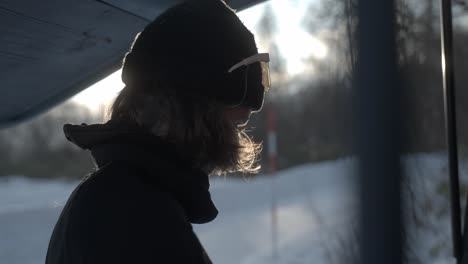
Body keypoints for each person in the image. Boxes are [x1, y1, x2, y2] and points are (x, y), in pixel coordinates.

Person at [45, 0, 270, 263]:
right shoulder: (130, 212)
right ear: (192, 106)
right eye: (233, 116)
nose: (244, 120)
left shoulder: (130, 197)